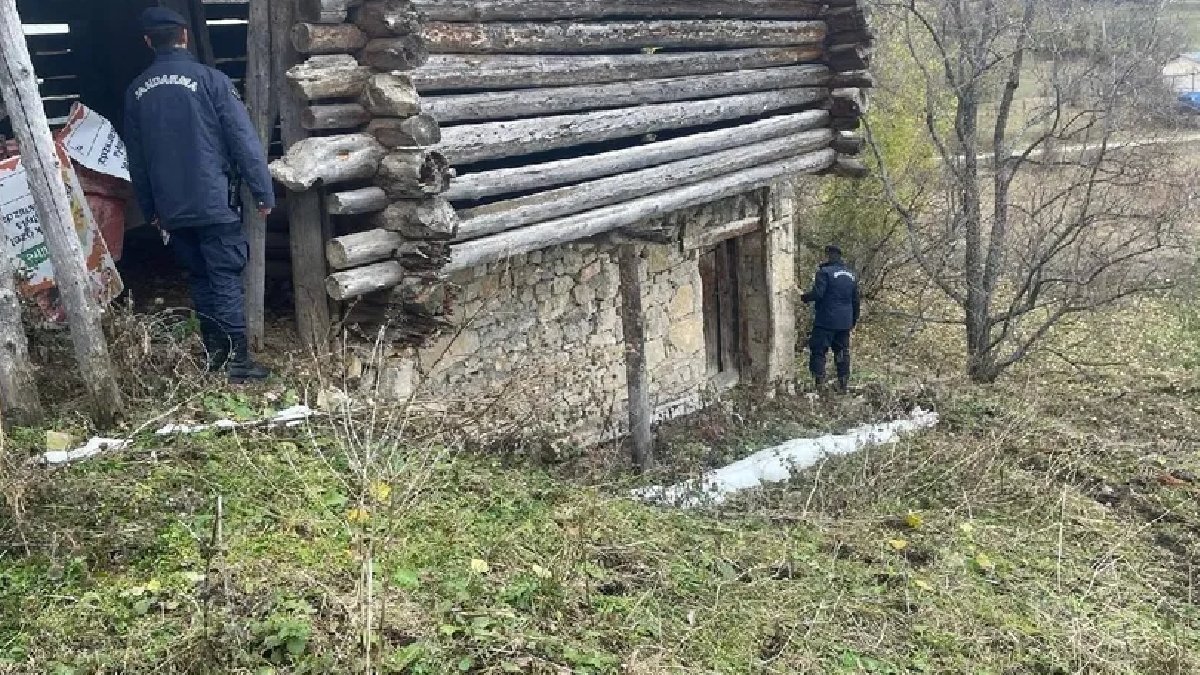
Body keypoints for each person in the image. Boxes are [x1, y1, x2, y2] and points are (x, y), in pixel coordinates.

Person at [124, 7, 275, 383]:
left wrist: (150, 208)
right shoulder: (212, 81)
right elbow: (243, 141)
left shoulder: (136, 91)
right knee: (224, 277)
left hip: (172, 208)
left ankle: (215, 357)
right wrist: (263, 190)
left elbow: (136, 159)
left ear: (148, 42)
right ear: (185, 37)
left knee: (199, 278)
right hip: (214, 202)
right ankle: (238, 363)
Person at [800, 245, 861, 392]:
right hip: (844, 322)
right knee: (842, 352)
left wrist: (803, 297)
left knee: (819, 351)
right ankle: (843, 385)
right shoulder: (851, 275)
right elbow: (856, 300)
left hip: (825, 321)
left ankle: (819, 385)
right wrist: (853, 320)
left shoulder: (824, 272)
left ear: (829, 255)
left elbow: (818, 294)